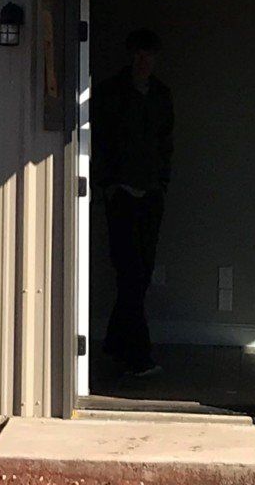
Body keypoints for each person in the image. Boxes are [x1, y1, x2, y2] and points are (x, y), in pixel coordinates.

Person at [92, 26, 173, 379]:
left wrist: (161, 184)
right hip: (121, 193)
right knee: (129, 271)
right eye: (138, 54)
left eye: (148, 54)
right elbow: (101, 141)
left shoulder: (161, 95)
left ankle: (114, 342)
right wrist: (108, 185)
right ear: (130, 56)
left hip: (151, 193)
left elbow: (166, 143)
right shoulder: (110, 93)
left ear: (155, 58)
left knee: (139, 274)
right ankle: (139, 355)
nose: (143, 60)